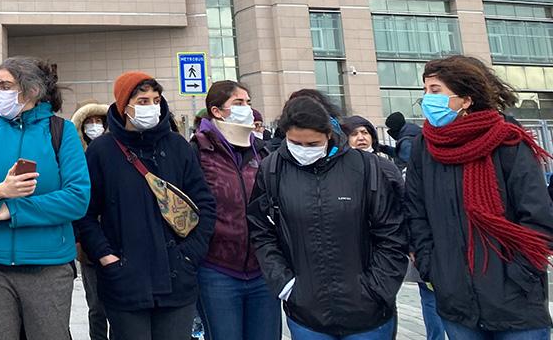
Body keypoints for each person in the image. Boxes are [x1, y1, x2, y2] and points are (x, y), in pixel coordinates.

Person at [406, 55, 553, 339]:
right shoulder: (425, 147)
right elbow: (416, 212)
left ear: (466, 99)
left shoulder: (508, 141)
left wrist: (519, 276)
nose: (426, 99)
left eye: (435, 91)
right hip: (457, 304)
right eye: (424, 91)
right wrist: (433, 268)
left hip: (517, 304)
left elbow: (538, 218)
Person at [0, 57, 90, 340]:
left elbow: (77, 198)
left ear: (31, 90)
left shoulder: (61, 132)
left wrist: (13, 210)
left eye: (5, 86)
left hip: (48, 268)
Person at [247, 95, 407, 340]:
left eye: (312, 144)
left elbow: (391, 231)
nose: (303, 150)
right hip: (307, 315)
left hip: (369, 315)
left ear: (329, 135)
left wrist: (378, 288)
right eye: (295, 143)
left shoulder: (366, 167)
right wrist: (286, 285)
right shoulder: (272, 170)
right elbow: (261, 231)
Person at [76, 71, 216, 340]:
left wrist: (190, 254)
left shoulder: (177, 146)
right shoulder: (101, 151)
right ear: (123, 104)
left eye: (155, 99)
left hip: (177, 278)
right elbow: (86, 214)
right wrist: (106, 257)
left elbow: (205, 204)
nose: (151, 106)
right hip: (125, 282)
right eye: (142, 101)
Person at [191, 80, 278, 340]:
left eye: (248, 103)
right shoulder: (198, 151)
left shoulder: (262, 153)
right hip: (216, 269)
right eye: (239, 103)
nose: (247, 109)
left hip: (262, 268)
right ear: (217, 111)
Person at [70, 101, 110, 340]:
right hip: (88, 244)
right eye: (90, 123)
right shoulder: (76, 156)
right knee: (96, 306)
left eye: (99, 122)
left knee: (120, 306)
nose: (95, 127)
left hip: (118, 239)